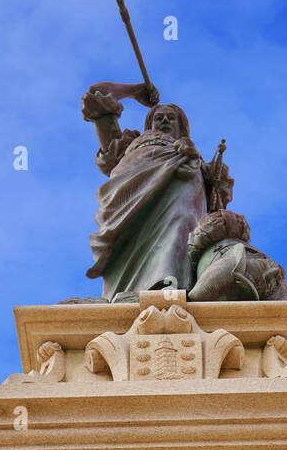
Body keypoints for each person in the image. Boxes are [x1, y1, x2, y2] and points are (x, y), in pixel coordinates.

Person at [81, 81, 232, 301]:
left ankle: (170, 288)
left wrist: (211, 176)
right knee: (126, 246)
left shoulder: (190, 157)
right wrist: (134, 91)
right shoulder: (126, 144)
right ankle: (125, 295)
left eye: (171, 118)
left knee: (180, 229)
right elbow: (97, 95)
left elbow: (217, 201)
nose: (164, 120)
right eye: (158, 117)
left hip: (182, 186)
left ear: (182, 127)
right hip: (128, 198)